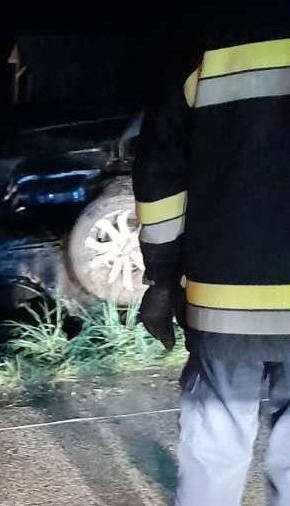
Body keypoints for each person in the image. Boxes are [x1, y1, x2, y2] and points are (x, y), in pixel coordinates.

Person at [133, 8, 290, 506]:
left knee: (215, 439)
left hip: (225, 294)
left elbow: (161, 176)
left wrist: (161, 280)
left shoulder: (204, 33)